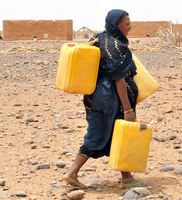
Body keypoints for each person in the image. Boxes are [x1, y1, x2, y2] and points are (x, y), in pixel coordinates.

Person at [62, 9, 138, 189]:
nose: (130, 27)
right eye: (126, 24)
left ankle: (126, 176)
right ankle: (71, 174)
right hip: (110, 99)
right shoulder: (115, 46)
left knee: (118, 133)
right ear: (116, 24)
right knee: (99, 133)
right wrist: (127, 109)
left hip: (97, 95)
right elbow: (119, 79)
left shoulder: (99, 38)